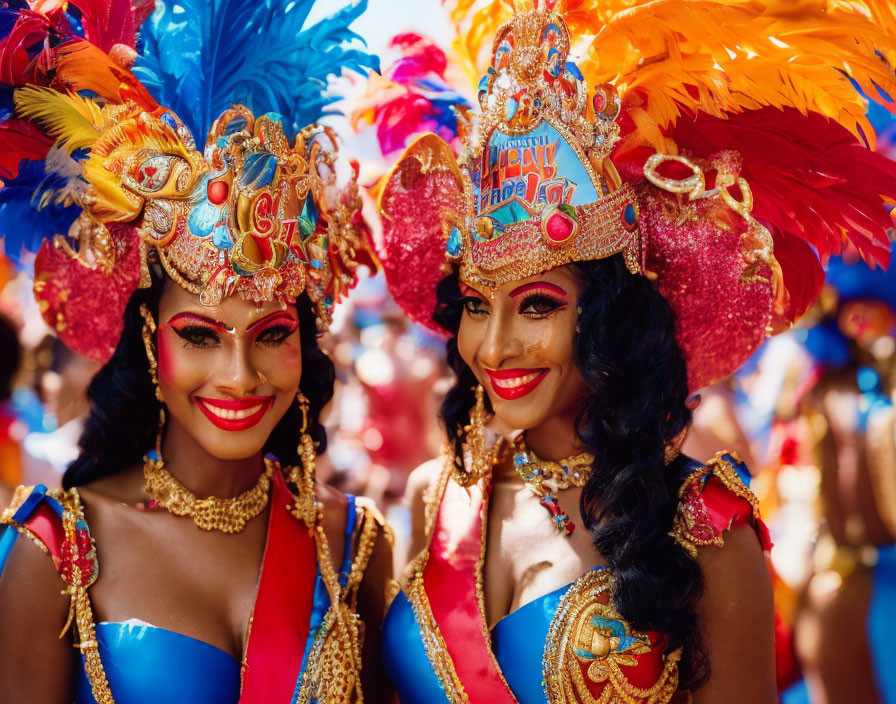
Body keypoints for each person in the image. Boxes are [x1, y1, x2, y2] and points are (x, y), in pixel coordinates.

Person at [373, 1, 896, 702]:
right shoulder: (431, 498)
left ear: (612, 314)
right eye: (475, 304)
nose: (494, 346)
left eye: (537, 306)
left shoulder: (702, 526)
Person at [0, 1, 391, 702]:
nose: (239, 377)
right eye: (201, 336)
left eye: (273, 334)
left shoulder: (355, 544)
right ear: (148, 339)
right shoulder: (57, 550)